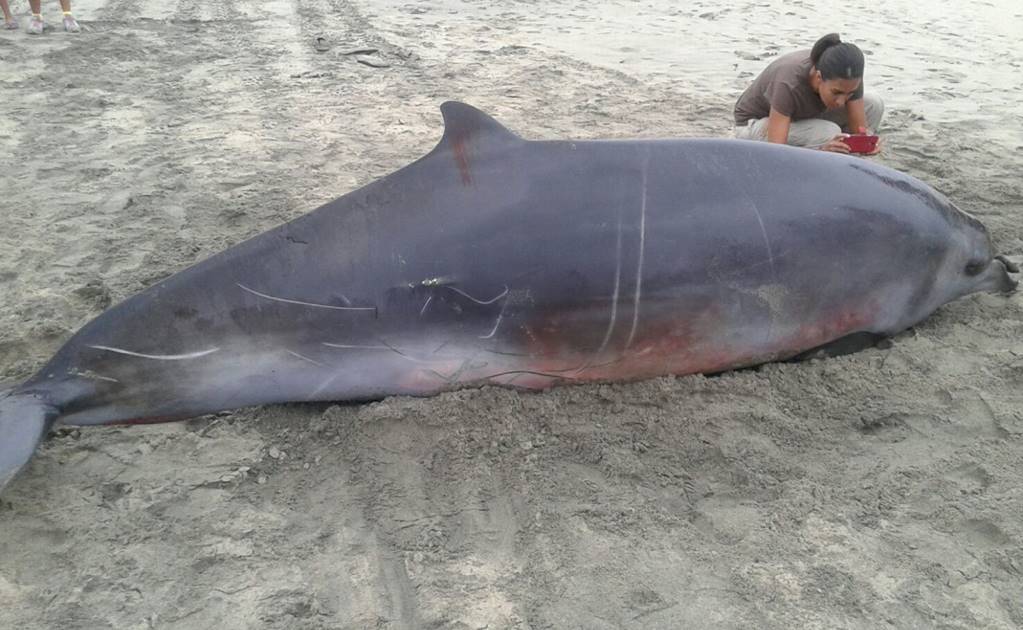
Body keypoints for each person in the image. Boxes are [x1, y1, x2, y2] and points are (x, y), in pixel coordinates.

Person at [734, 33, 884, 154]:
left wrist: (866, 145)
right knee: (828, 132)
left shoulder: (848, 77)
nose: (841, 102)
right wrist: (820, 151)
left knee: (873, 104)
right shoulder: (788, 82)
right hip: (756, 124)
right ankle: (823, 156)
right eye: (836, 93)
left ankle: (844, 160)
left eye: (849, 94)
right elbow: (776, 152)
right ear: (819, 77)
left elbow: (859, 131)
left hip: (800, 117)